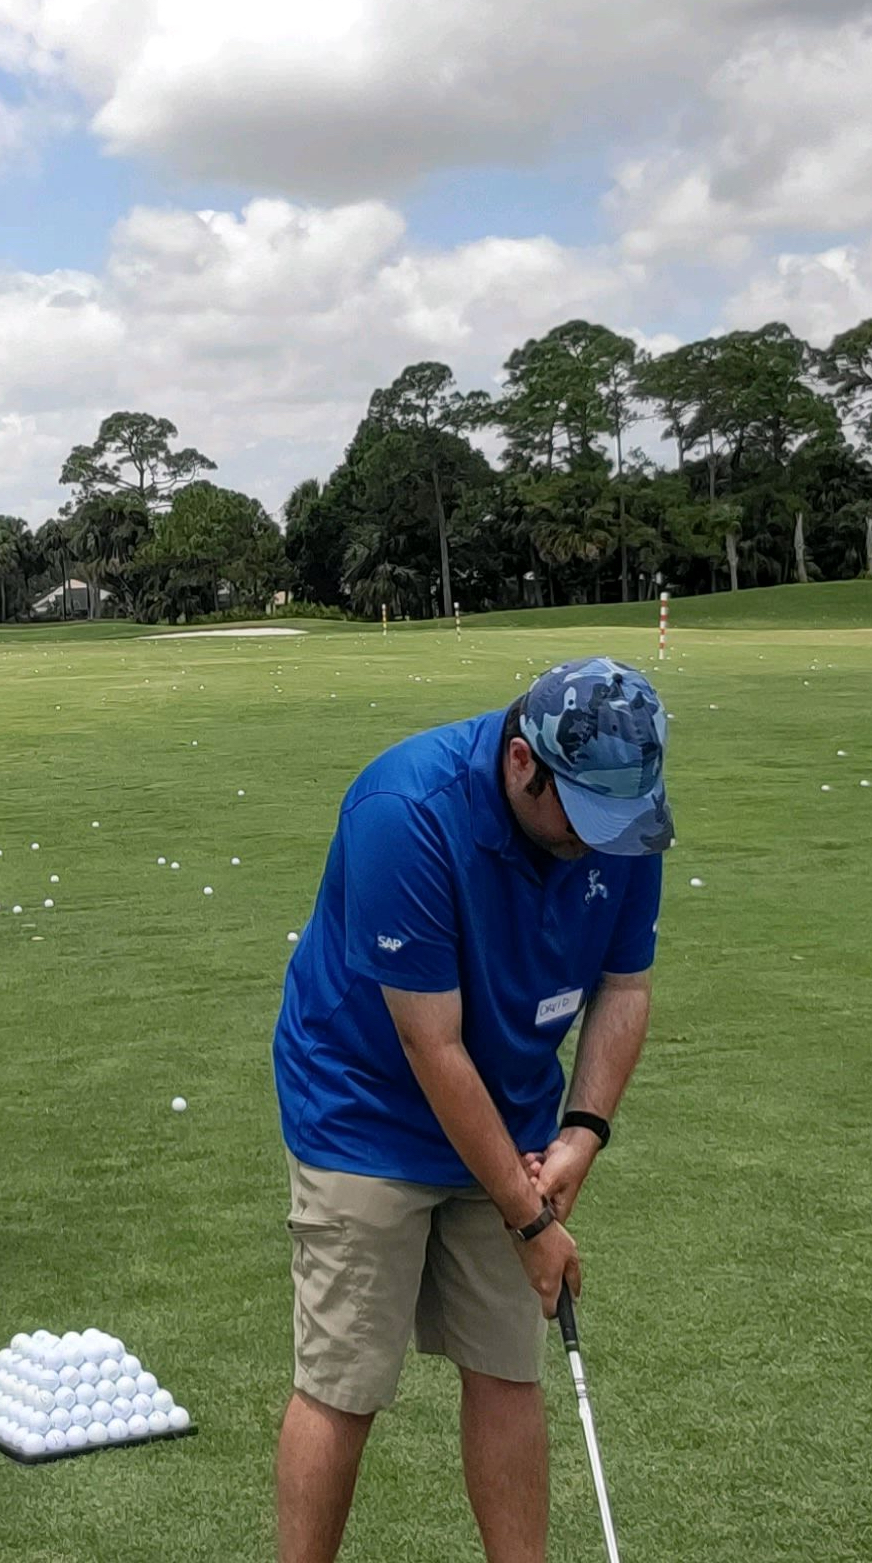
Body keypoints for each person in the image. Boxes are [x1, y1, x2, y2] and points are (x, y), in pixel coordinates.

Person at [272, 656, 670, 1563]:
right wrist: (531, 1221)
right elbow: (431, 1044)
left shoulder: (621, 824)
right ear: (524, 761)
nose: (604, 842)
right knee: (345, 1381)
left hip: (518, 1111)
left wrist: (583, 1133)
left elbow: (626, 985)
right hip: (362, 1108)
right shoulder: (404, 808)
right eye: (586, 818)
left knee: (506, 1368)